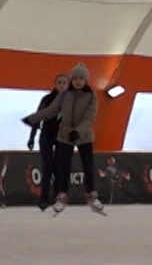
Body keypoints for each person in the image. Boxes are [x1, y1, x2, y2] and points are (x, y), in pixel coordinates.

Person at [26, 63, 102, 215]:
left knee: (88, 166)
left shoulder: (91, 97)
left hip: (84, 136)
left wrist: (78, 131)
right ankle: (61, 195)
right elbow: (50, 110)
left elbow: (89, 117)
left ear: (86, 80)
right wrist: (33, 119)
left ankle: (91, 194)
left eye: (81, 78)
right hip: (64, 136)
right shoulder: (64, 95)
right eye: (75, 78)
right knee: (63, 167)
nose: (78, 81)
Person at [25, 73, 68, 211]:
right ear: (55, 84)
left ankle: (57, 197)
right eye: (59, 82)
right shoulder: (47, 99)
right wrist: (31, 137)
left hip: (62, 137)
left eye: (64, 83)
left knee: (59, 168)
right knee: (48, 166)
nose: (61, 85)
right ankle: (44, 198)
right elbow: (38, 118)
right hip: (47, 136)